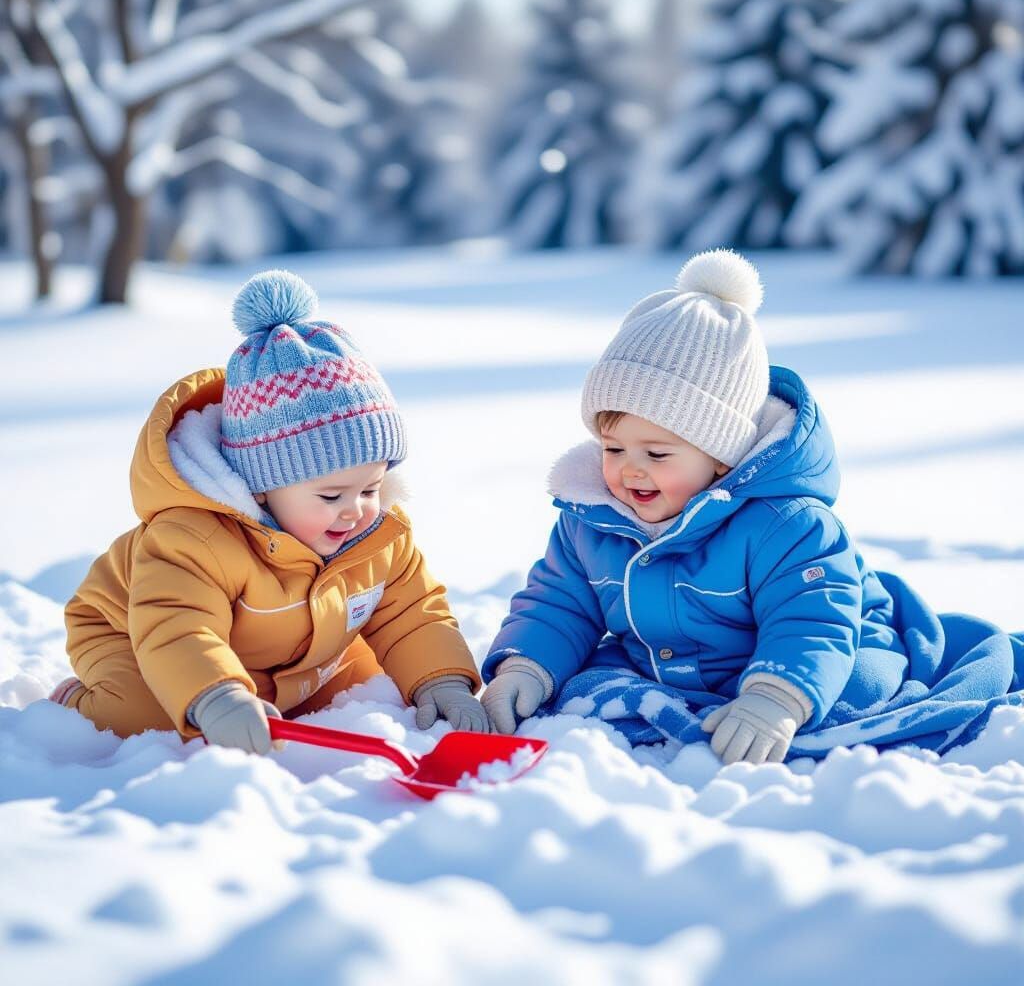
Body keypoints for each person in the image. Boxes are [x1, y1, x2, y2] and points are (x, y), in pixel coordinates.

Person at [480, 249, 1023, 764]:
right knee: (587, 683)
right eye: (614, 449)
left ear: (721, 457)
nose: (630, 469)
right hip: (678, 664)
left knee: (859, 688)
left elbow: (811, 617)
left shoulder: (787, 525)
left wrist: (779, 697)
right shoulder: (589, 520)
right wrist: (526, 667)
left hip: (823, 649)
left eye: (657, 453)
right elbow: (559, 604)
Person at [51, 270, 487, 753]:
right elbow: (178, 625)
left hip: (286, 653)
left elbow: (411, 613)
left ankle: (252, 691)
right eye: (331, 496)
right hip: (138, 635)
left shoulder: (379, 534)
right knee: (146, 715)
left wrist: (441, 681)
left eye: (371, 488)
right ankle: (77, 703)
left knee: (374, 679)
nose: (356, 511)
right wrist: (217, 695)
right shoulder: (192, 540)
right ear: (261, 489)